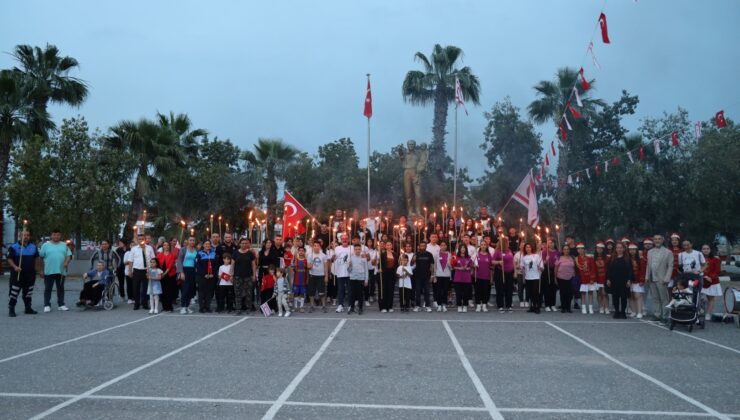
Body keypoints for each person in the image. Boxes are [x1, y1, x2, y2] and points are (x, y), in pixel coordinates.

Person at [7, 230, 39, 317]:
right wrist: (15, 267)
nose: (26, 237)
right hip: (17, 274)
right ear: (20, 236)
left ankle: (28, 308)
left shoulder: (33, 247)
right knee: (14, 292)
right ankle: (11, 309)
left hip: (30, 274)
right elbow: (9, 259)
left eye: (28, 235)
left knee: (28, 292)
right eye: (24, 235)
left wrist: (38, 269)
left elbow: (36, 259)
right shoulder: (14, 247)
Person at [39, 229, 73, 313]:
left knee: (60, 288)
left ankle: (61, 304)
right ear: (51, 235)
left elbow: (69, 256)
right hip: (48, 270)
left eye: (58, 235)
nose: (56, 236)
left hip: (61, 271)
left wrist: (66, 262)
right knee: (48, 288)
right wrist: (41, 270)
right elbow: (41, 258)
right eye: (54, 235)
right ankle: (47, 305)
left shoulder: (64, 245)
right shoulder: (45, 245)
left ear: (60, 235)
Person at [646, 234, 674, 322]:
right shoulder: (650, 252)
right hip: (652, 278)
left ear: (662, 241)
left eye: (659, 239)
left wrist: (667, 278)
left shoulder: (668, 252)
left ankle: (665, 316)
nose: (657, 241)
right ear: (653, 241)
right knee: (655, 298)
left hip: (662, 279)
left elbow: (670, 266)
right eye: (655, 239)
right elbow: (648, 265)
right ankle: (657, 314)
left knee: (664, 298)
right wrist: (647, 276)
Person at [126, 234, 156, 311]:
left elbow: (153, 259)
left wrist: (152, 270)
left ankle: (145, 303)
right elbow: (130, 261)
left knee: (146, 288)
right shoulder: (134, 249)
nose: (141, 240)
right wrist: (130, 271)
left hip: (147, 271)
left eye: (143, 239)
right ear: (137, 240)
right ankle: (137, 304)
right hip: (136, 270)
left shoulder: (149, 248)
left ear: (145, 240)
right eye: (139, 239)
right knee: (136, 288)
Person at [607, 243, 632, 319]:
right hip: (614, 281)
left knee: (624, 297)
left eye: (621, 248)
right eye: (617, 248)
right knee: (615, 297)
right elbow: (609, 270)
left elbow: (630, 271)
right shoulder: (612, 258)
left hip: (624, 281)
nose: (619, 249)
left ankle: (623, 312)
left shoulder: (627, 258)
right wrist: (608, 279)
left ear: (624, 249)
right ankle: (617, 311)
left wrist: (629, 280)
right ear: (615, 249)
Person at [233, 238, 257, 315]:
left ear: (247, 244)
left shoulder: (250, 253)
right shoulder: (235, 253)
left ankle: (248, 309)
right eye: (242, 243)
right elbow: (232, 265)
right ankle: (238, 309)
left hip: (248, 276)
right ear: (239, 244)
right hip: (237, 276)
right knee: (237, 293)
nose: (244, 244)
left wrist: (254, 275)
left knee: (248, 293)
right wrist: (231, 275)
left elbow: (253, 265)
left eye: (246, 243)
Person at [176, 237, 198, 314]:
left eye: (193, 240)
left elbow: (196, 261)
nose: (192, 241)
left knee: (190, 290)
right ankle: (182, 307)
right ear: (188, 241)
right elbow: (179, 261)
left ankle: (187, 306)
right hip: (185, 270)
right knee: (185, 289)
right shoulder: (183, 249)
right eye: (190, 240)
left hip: (192, 271)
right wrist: (181, 272)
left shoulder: (196, 250)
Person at [492, 237, 515, 313]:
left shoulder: (509, 250)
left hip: (510, 272)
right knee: (500, 289)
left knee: (509, 289)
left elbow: (512, 260)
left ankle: (509, 305)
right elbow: (492, 261)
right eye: (507, 242)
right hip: (500, 272)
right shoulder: (498, 251)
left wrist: (514, 271)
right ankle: (500, 305)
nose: (508, 243)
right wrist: (498, 262)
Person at [520, 243, 543, 314]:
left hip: (535, 277)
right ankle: (532, 306)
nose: (528, 248)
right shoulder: (524, 257)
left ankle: (537, 307)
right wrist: (523, 277)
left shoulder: (536, 256)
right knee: (530, 293)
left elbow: (541, 266)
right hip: (528, 277)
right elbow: (522, 268)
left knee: (535, 292)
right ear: (525, 249)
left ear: (531, 248)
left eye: (529, 247)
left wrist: (541, 267)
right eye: (526, 247)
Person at [700, 244, 721, 320]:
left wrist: (710, 277)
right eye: (704, 248)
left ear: (710, 250)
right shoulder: (699, 259)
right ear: (701, 250)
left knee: (711, 298)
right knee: (699, 297)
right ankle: (701, 310)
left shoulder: (716, 259)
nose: (706, 250)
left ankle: (708, 314)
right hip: (701, 280)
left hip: (712, 281)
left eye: (707, 248)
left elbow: (717, 271)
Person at [306, 241, 329, 313]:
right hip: (312, 275)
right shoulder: (310, 255)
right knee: (311, 292)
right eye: (315, 246)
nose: (316, 247)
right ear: (313, 247)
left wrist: (326, 276)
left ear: (320, 247)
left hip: (321, 276)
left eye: (317, 246)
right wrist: (310, 266)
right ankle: (312, 306)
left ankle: (324, 306)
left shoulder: (323, 255)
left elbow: (326, 267)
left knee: (322, 292)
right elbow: (308, 266)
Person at [156, 241, 179, 312]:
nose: (166, 246)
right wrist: (159, 274)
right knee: (162, 291)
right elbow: (157, 265)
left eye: (167, 245)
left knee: (170, 291)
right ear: (163, 246)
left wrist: (163, 274)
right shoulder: (159, 255)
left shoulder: (173, 255)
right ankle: (164, 306)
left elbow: (170, 266)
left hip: (170, 275)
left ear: (169, 246)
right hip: (161, 275)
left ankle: (170, 307)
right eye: (164, 245)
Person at [196, 240, 217, 313]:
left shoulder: (213, 253)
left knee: (209, 292)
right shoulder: (199, 253)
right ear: (203, 245)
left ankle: (207, 307)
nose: (207, 245)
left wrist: (212, 274)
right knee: (201, 292)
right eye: (206, 244)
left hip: (211, 276)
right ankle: (201, 307)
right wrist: (204, 274)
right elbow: (198, 266)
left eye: (209, 244)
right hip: (202, 276)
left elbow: (215, 265)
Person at [332, 235, 352, 313]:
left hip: (349, 273)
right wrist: (333, 258)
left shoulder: (352, 248)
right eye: (343, 239)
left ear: (348, 239)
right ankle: (340, 305)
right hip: (340, 272)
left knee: (350, 290)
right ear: (340, 240)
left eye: (346, 238)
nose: (344, 240)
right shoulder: (337, 248)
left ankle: (350, 305)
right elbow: (333, 260)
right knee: (340, 290)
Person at [348, 244, 369, 315]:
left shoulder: (363, 258)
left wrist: (366, 280)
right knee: (352, 294)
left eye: (359, 249)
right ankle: (352, 307)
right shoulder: (351, 258)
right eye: (356, 249)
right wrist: (350, 266)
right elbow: (349, 270)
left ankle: (360, 308)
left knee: (360, 294)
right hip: (353, 278)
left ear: (361, 250)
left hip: (360, 278)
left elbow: (366, 269)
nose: (357, 251)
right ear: (354, 250)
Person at [575, 243, 596, 314]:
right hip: (582, 278)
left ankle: (590, 307)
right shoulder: (576, 259)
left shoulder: (589, 258)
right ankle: (583, 307)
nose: (580, 250)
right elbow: (576, 270)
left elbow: (593, 268)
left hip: (589, 277)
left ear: (584, 250)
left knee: (590, 293)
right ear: (577, 250)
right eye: (579, 249)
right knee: (583, 294)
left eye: (582, 249)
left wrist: (592, 278)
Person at [414, 241, 434, 312]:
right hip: (418, 276)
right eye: (421, 246)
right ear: (419, 247)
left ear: (426, 246)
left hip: (427, 276)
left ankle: (428, 306)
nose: (422, 247)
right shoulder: (416, 254)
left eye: (423, 245)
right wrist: (413, 259)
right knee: (418, 292)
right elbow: (411, 263)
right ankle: (417, 306)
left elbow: (432, 265)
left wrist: (432, 275)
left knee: (427, 292)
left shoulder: (429, 254)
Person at [452, 244, 473, 313]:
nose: (463, 249)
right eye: (461, 248)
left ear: (466, 249)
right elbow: (453, 266)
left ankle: (465, 305)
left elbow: (471, 266)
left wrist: (467, 268)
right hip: (458, 278)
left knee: (466, 293)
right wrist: (459, 268)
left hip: (467, 278)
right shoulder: (456, 257)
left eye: (464, 248)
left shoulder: (469, 257)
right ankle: (459, 305)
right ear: (459, 249)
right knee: (458, 293)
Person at [554, 245, 574, 313]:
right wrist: (555, 277)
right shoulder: (559, 258)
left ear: (569, 250)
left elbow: (574, 267)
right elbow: (556, 268)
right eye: (565, 249)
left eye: (567, 249)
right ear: (562, 250)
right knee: (563, 293)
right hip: (561, 277)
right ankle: (563, 307)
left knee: (570, 293)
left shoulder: (572, 258)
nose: (566, 250)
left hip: (570, 278)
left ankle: (568, 307)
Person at [378, 241, 397, 313]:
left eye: (390, 245)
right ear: (385, 246)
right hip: (384, 274)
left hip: (392, 274)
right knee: (383, 290)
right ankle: (383, 306)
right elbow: (380, 264)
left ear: (392, 246)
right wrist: (379, 269)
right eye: (387, 245)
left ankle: (390, 306)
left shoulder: (395, 254)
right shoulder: (382, 254)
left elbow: (396, 265)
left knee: (391, 290)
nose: (389, 246)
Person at [541, 239, 559, 312]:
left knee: (553, 288)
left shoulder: (558, 252)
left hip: (554, 270)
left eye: (552, 243)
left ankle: (553, 304)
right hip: (546, 270)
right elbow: (542, 263)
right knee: (547, 288)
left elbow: (559, 261)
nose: (551, 244)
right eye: (549, 243)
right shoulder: (545, 252)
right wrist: (546, 260)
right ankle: (547, 304)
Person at [628, 244, 645, 318]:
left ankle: (640, 312)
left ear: (636, 250)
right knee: (631, 296)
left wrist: (642, 280)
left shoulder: (641, 259)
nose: (632, 251)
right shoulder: (627, 259)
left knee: (637, 295)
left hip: (638, 280)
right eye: (630, 250)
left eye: (634, 249)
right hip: (629, 280)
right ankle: (633, 311)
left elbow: (642, 270)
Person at [433, 241, 452, 312]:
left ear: (446, 246)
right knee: (438, 291)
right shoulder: (436, 254)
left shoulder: (449, 254)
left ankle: (444, 304)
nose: (443, 246)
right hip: (438, 275)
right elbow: (434, 266)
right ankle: (439, 304)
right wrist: (434, 276)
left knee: (445, 291)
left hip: (447, 275)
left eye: (444, 245)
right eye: (441, 245)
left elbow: (451, 267)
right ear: (440, 246)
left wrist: (450, 264)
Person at [474, 243, 492, 312]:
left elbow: (491, 266)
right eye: (482, 245)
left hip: (486, 276)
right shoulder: (476, 254)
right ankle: (478, 305)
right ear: (480, 246)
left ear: (486, 246)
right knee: (478, 291)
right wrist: (474, 265)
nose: (483, 246)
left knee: (485, 292)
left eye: (485, 245)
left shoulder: (489, 255)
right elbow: (472, 263)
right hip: (478, 276)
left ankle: (484, 305)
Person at [593, 243, 609, 314]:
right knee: (599, 293)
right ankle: (601, 307)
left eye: (600, 248)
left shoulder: (607, 258)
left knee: (605, 293)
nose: (599, 250)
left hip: (605, 277)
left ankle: (606, 307)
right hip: (597, 278)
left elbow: (609, 268)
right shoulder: (593, 258)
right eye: (597, 248)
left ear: (603, 249)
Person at [292, 247, 308, 312]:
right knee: (295, 293)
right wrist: (294, 263)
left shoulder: (306, 260)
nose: (301, 252)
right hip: (296, 278)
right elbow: (294, 268)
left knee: (302, 293)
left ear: (304, 252)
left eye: (302, 251)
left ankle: (301, 307)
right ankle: (295, 306)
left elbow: (307, 270)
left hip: (303, 278)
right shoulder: (296, 260)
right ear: (298, 252)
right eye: (300, 251)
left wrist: (307, 279)